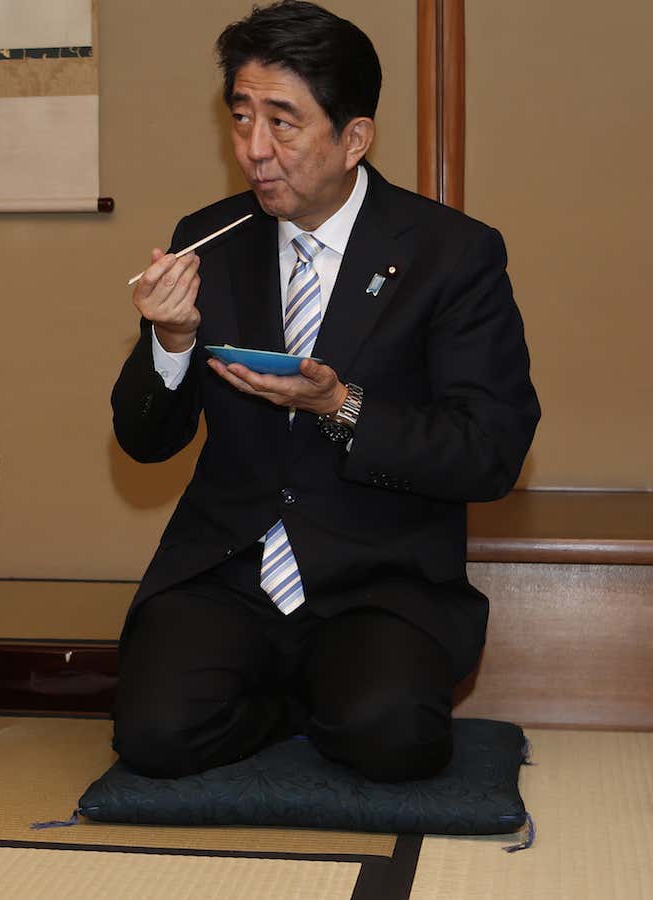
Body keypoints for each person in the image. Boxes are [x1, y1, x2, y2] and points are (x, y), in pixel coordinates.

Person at [108, 1, 539, 782]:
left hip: (380, 575)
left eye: (283, 122)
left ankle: (329, 695)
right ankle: (292, 701)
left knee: (394, 738)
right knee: (154, 737)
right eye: (241, 119)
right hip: (234, 562)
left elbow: (490, 451)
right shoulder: (212, 237)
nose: (254, 151)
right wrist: (169, 343)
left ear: (354, 138)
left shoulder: (451, 253)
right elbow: (144, 442)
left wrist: (341, 407)